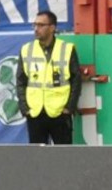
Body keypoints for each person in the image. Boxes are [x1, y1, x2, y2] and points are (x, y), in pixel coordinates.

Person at [15, 10, 81, 145]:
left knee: (64, 157)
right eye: (34, 25)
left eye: (40, 25)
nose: (36, 29)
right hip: (35, 113)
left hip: (60, 112)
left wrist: (69, 107)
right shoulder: (26, 49)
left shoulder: (67, 49)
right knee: (38, 159)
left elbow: (76, 80)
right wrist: (25, 108)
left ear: (52, 28)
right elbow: (21, 81)